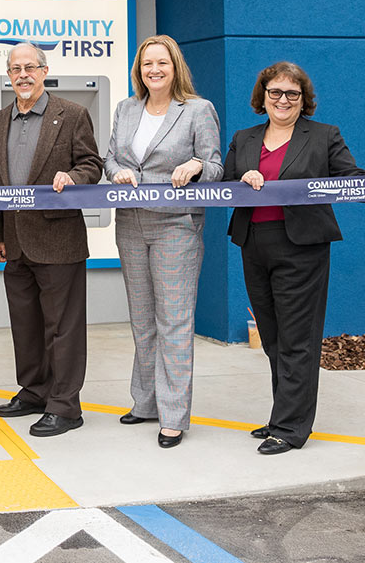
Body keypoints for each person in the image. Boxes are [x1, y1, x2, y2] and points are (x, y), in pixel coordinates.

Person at [224, 62, 363, 455]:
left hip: (303, 246)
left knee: (298, 339)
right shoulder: (244, 138)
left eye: (292, 94)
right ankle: (282, 414)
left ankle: (290, 428)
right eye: (275, 93)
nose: (283, 100)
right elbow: (224, 186)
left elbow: (349, 179)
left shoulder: (323, 136)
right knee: (272, 337)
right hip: (254, 243)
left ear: (304, 100)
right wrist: (242, 179)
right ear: (262, 97)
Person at [105, 34, 223, 449]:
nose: (153, 70)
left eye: (162, 63)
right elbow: (111, 157)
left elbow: (215, 165)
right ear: (138, 70)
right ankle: (146, 403)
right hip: (131, 223)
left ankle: (173, 416)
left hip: (176, 225)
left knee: (173, 321)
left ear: (175, 68)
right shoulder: (126, 108)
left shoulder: (197, 110)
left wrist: (195, 165)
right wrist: (117, 170)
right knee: (141, 319)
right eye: (147, 64)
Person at [0, 42, 102, 437]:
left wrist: (74, 177)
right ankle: (34, 391)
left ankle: (66, 406)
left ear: (44, 70)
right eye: (15, 69)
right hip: (15, 242)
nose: (23, 75)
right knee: (26, 324)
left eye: (30, 68)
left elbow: (92, 163)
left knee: (63, 326)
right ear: (8, 75)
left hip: (58, 238)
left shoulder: (71, 114)